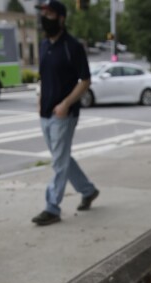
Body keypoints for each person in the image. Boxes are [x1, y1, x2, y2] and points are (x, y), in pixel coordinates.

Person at [31, 0, 99, 226]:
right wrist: (41, 96)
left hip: (64, 114)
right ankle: (88, 190)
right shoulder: (43, 45)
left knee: (59, 163)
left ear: (61, 18)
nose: (45, 18)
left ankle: (52, 207)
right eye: (43, 13)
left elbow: (85, 80)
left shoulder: (72, 46)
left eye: (49, 14)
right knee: (62, 159)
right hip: (45, 112)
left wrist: (66, 103)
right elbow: (44, 76)